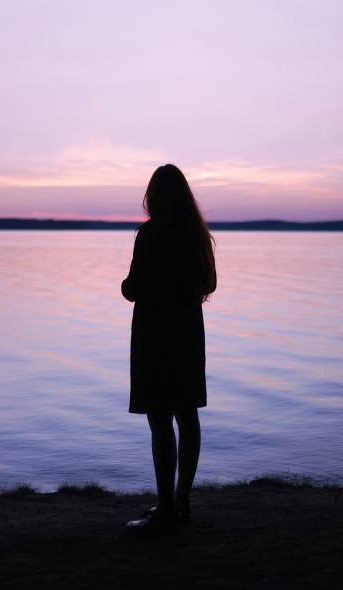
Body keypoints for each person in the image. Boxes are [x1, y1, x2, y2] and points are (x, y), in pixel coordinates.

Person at [121, 164, 217, 533]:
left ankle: (164, 509)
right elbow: (209, 283)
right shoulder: (197, 236)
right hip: (188, 333)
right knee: (187, 415)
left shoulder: (149, 234)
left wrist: (130, 285)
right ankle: (181, 501)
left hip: (153, 333)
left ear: (153, 196)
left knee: (160, 419)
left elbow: (133, 288)